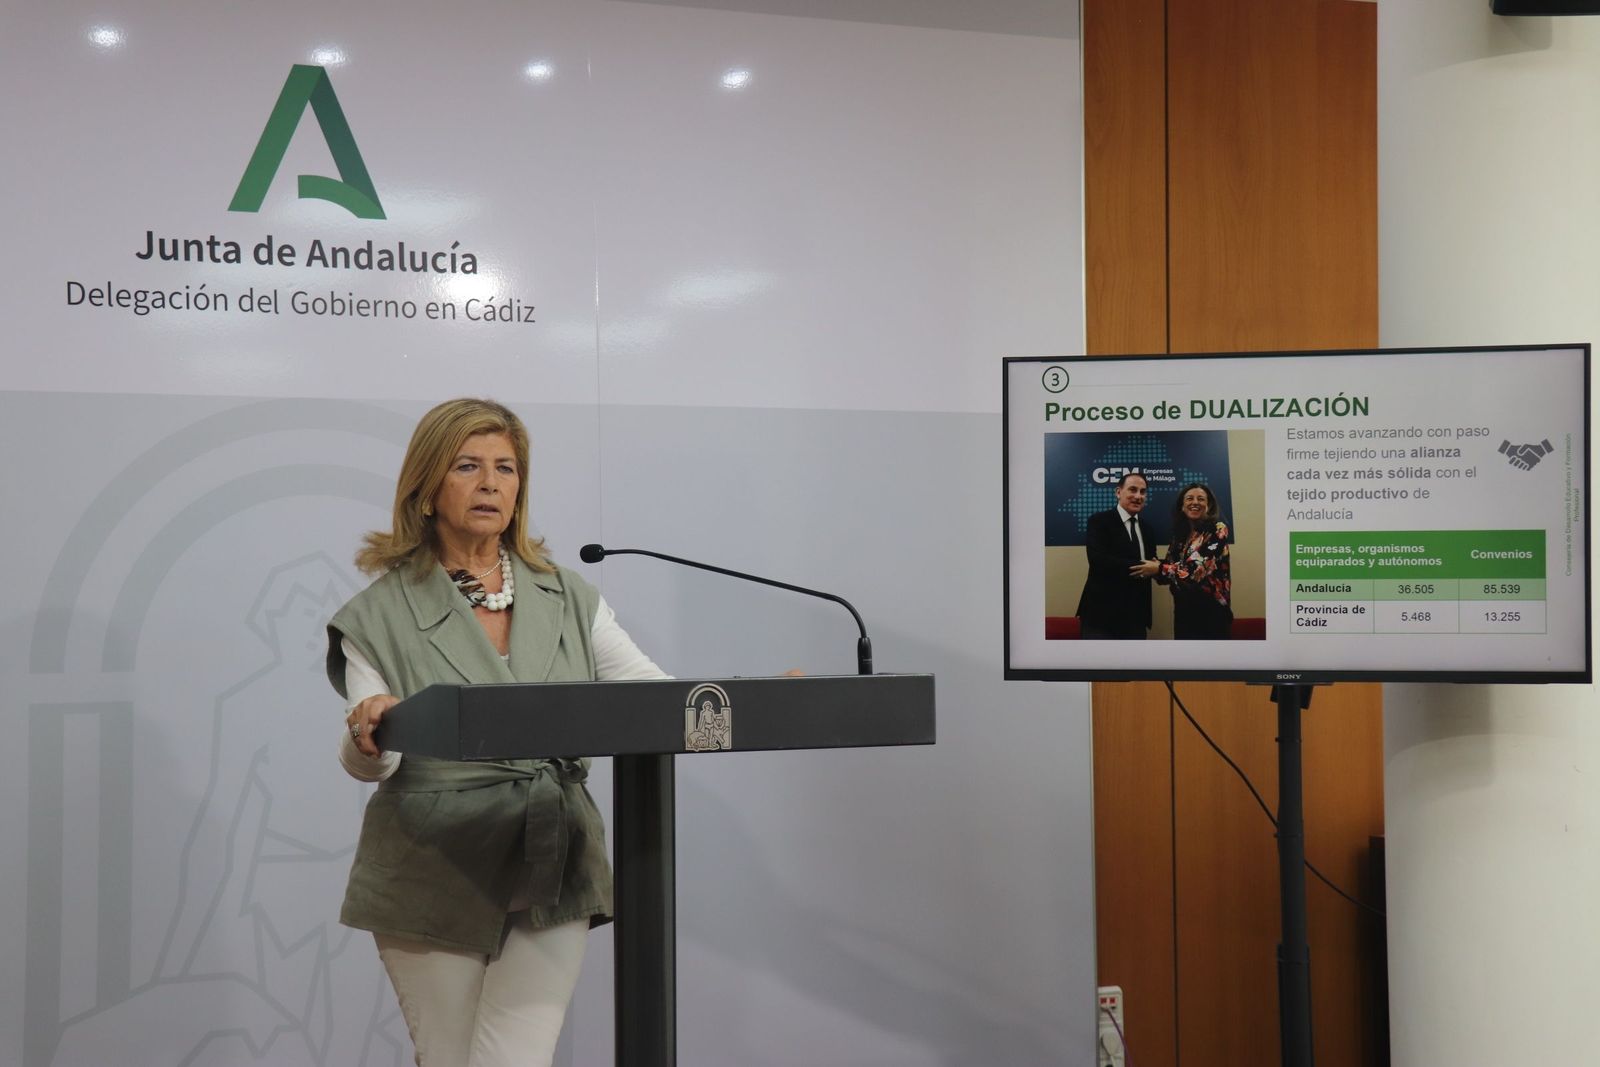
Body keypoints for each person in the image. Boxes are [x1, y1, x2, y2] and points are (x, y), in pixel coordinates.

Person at [327, 398, 667, 1066]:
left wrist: (752, 695)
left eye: (506, 468)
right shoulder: (378, 612)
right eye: (468, 465)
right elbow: (372, 760)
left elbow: (654, 698)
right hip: (432, 866)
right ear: (426, 488)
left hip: (555, 856)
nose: (490, 483)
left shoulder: (568, 595)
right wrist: (366, 731)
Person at [1133, 481, 1233, 640]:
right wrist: (1150, 566)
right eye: (1189, 498)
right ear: (1182, 505)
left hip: (1212, 614)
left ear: (1209, 506)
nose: (1195, 502)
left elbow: (1195, 573)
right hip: (1183, 613)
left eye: (1201, 499)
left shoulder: (1217, 529)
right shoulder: (1179, 536)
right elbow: (1167, 574)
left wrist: (1159, 568)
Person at [1076, 471, 1157, 639]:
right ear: (1118, 492)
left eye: (1143, 492)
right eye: (1132, 490)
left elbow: (1152, 563)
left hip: (1136, 617)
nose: (1138, 496)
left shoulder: (1148, 529)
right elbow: (1098, 560)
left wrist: (1160, 568)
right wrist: (1145, 566)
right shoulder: (1099, 521)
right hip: (1101, 616)